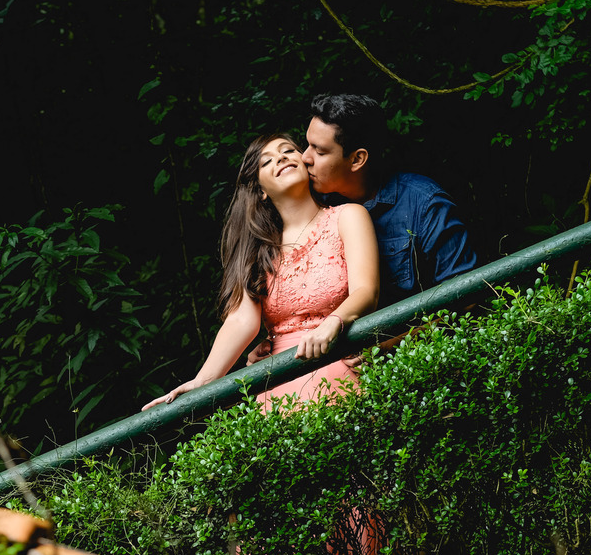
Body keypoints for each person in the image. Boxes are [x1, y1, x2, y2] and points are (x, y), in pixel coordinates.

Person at [142, 133, 379, 412]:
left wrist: (332, 323)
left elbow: (367, 291)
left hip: (342, 364)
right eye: (267, 161)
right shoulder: (257, 249)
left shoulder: (347, 216)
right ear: (261, 191)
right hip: (280, 386)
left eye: (288, 151)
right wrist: (203, 381)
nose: (281, 158)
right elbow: (241, 320)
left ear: (305, 163)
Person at [304, 93, 478, 309]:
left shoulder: (425, 204)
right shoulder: (314, 204)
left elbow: (464, 299)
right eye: (307, 145)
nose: (305, 157)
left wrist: (403, 334)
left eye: (320, 151)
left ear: (357, 159)